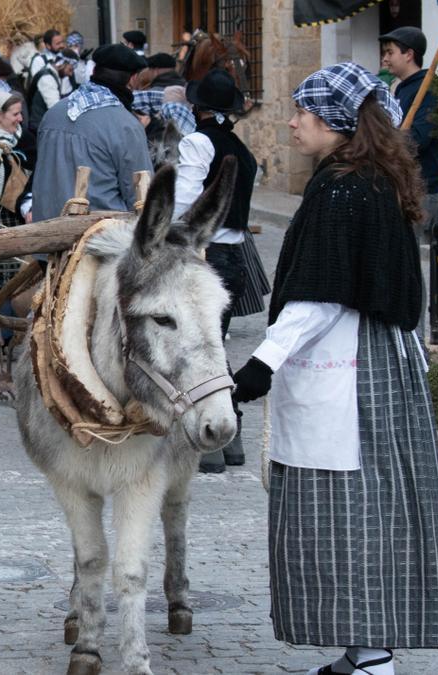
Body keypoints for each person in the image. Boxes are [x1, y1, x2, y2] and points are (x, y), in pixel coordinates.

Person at [232, 62, 438, 675]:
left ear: (336, 122)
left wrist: (258, 365)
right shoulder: (365, 178)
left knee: (351, 511)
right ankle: (363, 651)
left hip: (352, 370)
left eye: (303, 112)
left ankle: (373, 656)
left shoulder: (344, 187)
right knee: (368, 508)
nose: (292, 121)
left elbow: (319, 295)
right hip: (375, 362)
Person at [173, 69, 266, 473]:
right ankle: (228, 443)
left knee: (198, 348)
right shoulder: (240, 150)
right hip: (235, 256)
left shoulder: (198, 142)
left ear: (199, 108)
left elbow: (184, 198)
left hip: (203, 254)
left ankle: (214, 439)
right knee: (213, 346)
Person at [31, 44, 152, 221]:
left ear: (94, 71)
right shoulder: (126, 125)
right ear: (132, 80)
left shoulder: (53, 113)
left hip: (45, 232)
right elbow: (140, 196)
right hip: (101, 239)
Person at [380, 26, 438, 336]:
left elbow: (419, 139)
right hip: (402, 184)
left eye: (391, 52)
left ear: (409, 54)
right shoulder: (401, 89)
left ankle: (415, 338)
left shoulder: (427, 90)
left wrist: (392, 142)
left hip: (421, 188)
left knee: (410, 264)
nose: (385, 58)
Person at [0, 91, 34, 227]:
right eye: (15, 114)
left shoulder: (26, 138)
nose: (21, 119)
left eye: (20, 113)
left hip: (23, 211)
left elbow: (38, 174)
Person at [27, 48, 78, 133]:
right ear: (62, 64)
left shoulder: (54, 74)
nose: (71, 74)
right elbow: (55, 108)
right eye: (70, 69)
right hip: (40, 127)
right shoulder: (47, 78)